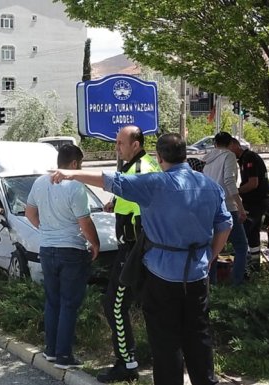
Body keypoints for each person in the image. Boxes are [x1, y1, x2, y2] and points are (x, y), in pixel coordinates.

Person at [49, 133, 232, 385]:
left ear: (159, 156)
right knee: (198, 335)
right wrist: (210, 256)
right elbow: (225, 225)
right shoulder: (209, 185)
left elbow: (110, 180)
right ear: (185, 155)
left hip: (161, 275)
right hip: (198, 274)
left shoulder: (154, 184)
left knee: (165, 341)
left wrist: (71, 174)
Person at [25, 143, 101, 370]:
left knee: (52, 301)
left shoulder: (40, 182)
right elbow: (84, 222)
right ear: (75, 164)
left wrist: (46, 230)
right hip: (72, 251)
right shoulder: (75, 186)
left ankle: (50, 350)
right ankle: (64, 356)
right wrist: (95, 243)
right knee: (69, 303)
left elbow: (29, 212)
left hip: (47, 249)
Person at [98, 127, 158, 382]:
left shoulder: (142, 168)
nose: (117, 147)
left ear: (136, 144)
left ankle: (127, 362)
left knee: (114, 304)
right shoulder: (135, 166)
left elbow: (147, 205)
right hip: (135, 248)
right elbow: (131, 197)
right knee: (145, 306)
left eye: (121, 143)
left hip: (136, 250)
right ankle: (144, 357)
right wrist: (115, 202)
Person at [202, 132, 249, 285]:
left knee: (214, 246)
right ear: (230, 144)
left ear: (215, 143)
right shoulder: (228, 156)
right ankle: (236, 283)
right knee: (241, 246)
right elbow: (229, 181)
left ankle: (211, 283)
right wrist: (240, 207)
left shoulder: (208, 159)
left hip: (209, 207)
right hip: (227, 207)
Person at [229, 139, 269, 263]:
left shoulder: (249, 158)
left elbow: (253, 183)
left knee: (242, 233)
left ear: (236, 145)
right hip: (256, 201)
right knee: (253, 234)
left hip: (255, 202)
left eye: (228, 148)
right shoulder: (243, 159)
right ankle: (255, 263)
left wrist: (236, 192)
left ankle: (242, 266)